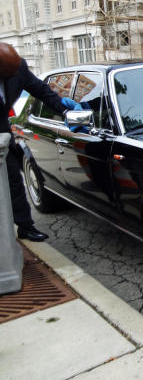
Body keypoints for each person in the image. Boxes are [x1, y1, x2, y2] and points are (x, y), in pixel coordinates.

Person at [0, 43, 79, 241]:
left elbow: (42, 91)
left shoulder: (19, 69)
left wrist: (65, 111)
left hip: (3, 135)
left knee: (14, 183)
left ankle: (26, 227)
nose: (11, 77)